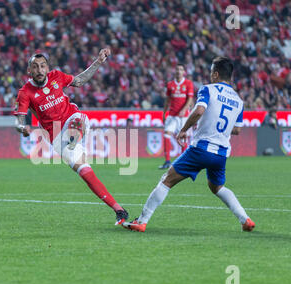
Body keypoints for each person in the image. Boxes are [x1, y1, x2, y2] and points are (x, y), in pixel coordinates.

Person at [123, 57, 255, 233]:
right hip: (221, 154)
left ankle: (141, 221)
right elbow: (237, 130)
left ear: (215, 74)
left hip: (201, 149)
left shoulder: (208, 89)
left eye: (210, 73)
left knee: (166, 180)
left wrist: (184, 129)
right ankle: (245, 219)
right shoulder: (238, 100)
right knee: (217, 187)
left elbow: (199, 110)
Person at [14, 49, 129, 225]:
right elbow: (19, 120)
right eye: (35, 67)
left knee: (77, 124)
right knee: (85, 172)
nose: (39, 70)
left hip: (72, 118)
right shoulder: (25, 92)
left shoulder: (57, 76)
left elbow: (80, 80)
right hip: (56, 136)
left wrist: (98, 61)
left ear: (47, 68)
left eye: (42, 66)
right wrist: (22, 129)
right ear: (29, 70)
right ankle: (119, 210)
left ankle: (75, 137)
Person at [159, 64, 194, 169]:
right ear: (175, 71)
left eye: (181, 69)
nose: (179, 71)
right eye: (177, 69)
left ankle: (183, 162)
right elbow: (167, 100)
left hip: (184, 116)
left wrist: (184, 109)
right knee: (166, 134)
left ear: (184, 72)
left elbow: (190, 99)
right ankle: (167, 161)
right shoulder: (170, 84)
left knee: (183, 138)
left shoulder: (188, 83)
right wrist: (164, 113)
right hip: (172, 115)